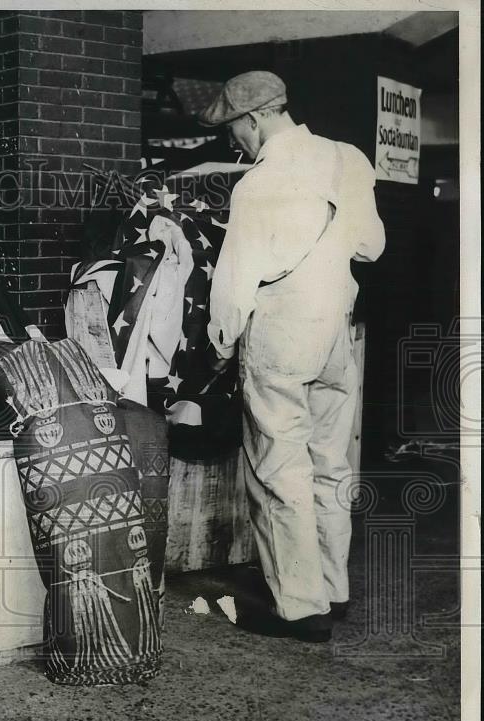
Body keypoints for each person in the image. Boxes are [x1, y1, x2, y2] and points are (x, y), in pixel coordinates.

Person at [199, 71, 385, 642]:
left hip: (282, 331)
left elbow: (232, 288)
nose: (235, 143)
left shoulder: (257, 185)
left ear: (253, 119)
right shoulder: (348, 159)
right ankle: (334, 589)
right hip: (338, 330)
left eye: (234, 130)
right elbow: (371, 247)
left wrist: (218, 347)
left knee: (280, 469)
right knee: (331, 463)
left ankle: (302, 610)